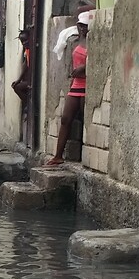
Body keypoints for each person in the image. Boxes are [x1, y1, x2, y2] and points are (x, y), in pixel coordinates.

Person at [45, 12, 89, 167]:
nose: (83, 28)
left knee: (85, 121)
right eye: (81, 26)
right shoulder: (76, 40)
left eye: (85, 26)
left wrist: (84, 67)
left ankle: (86, 157)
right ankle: (58, 156)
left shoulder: (93, 42)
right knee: (65, 119)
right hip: (76, 85)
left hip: (86, 85)